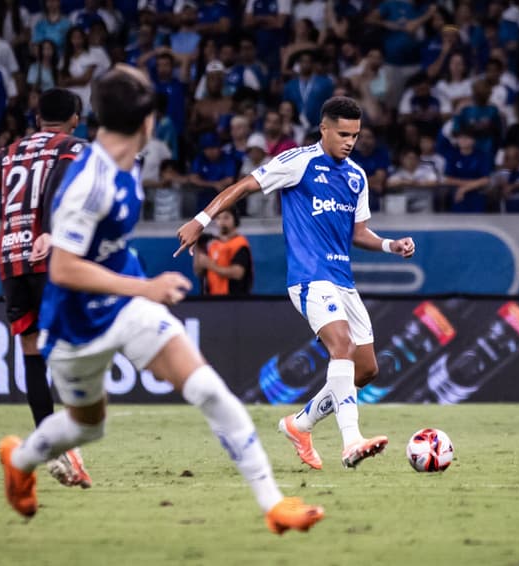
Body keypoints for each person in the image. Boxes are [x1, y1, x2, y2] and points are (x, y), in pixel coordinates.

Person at [0, 65, 323, 533]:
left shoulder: (129, 162)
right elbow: (63, 270)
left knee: (209, 390)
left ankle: (274, 505)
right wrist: (146, 288)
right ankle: (20, 461)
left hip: (127, 305)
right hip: (75, 324)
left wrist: (138, 292)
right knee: (88, 426)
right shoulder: (90, 181)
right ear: (147, 122)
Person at [176, 96, 415, 470]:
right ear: (324, 129)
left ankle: (299, 425)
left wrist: (389, 245)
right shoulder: (299, 162)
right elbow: (244, 186)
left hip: (342, 280)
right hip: (309, 276)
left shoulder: (356, 176)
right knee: (342, 346)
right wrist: (200, 220)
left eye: (355, 135)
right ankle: (351, 441)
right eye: (343, 134)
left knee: (366, 370)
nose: (350, 142)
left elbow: (358, 232)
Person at [0, 89, 92, 489]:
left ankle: (52, 445)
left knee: (32, 349)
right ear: (75, 119)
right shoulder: (73, 147)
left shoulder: (8, 153)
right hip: (50, 256)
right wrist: (50, 231)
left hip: (11, 258)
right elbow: (60, 181)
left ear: (38, 119)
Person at [194, 208, 253, 296]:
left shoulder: (240, 244)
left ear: (235, 220)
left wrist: (211, 265)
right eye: (218, 218)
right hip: (212, 297)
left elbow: (237, 273)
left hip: (234, 298)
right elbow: (199, 271)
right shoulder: (213, 244)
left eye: (226, 218)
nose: (222, 222)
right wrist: (197, 248)